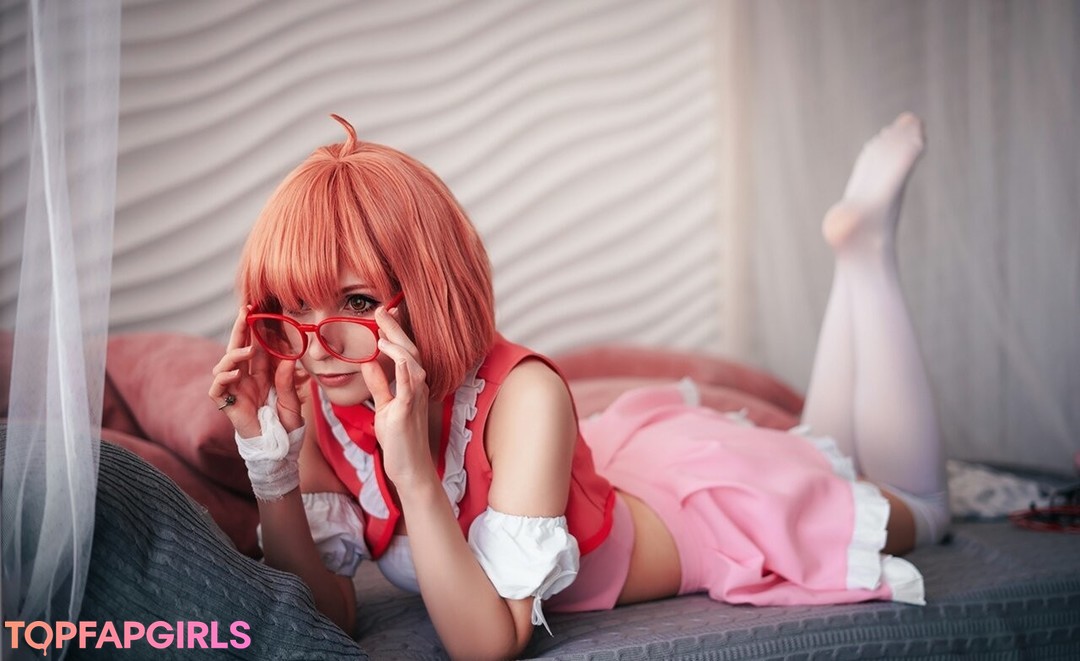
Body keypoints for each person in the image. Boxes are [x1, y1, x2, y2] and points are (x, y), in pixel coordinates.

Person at [208, 112, 949, 661]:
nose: (320, 343)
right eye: (292, 308)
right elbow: (328, 613)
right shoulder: (325, 403)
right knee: (828, 450)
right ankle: (855, 251)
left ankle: (868, 253)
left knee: (922, 507)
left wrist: (414, 475)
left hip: (703, 523)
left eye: (356, 301)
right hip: (629, 477)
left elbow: (487, 644)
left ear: (429, 288)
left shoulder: (524, 396)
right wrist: (270, 467)